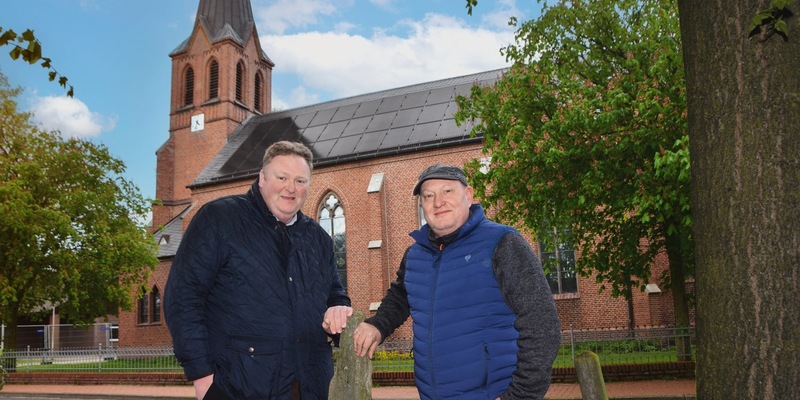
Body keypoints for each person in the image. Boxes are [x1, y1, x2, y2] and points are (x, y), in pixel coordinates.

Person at [353, 163, 561, 400]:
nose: (438, 202)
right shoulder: (415, 255)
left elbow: (542, 323)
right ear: (422, 205)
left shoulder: (503, 243)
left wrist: (520, 396)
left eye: (447, 191)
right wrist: (378, 324)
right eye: (428, 196)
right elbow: (401, 296)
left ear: (468, 195)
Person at [164, 141, 353, 400]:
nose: (291, 188)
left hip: (309, 386)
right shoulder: (219, 218)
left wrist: (338, 308)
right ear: (262, 178)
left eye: (300, 180)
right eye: (282, 177)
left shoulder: (318, 239)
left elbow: (335, 294)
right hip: (237, 387)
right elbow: (183, 298)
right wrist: (201, 374)